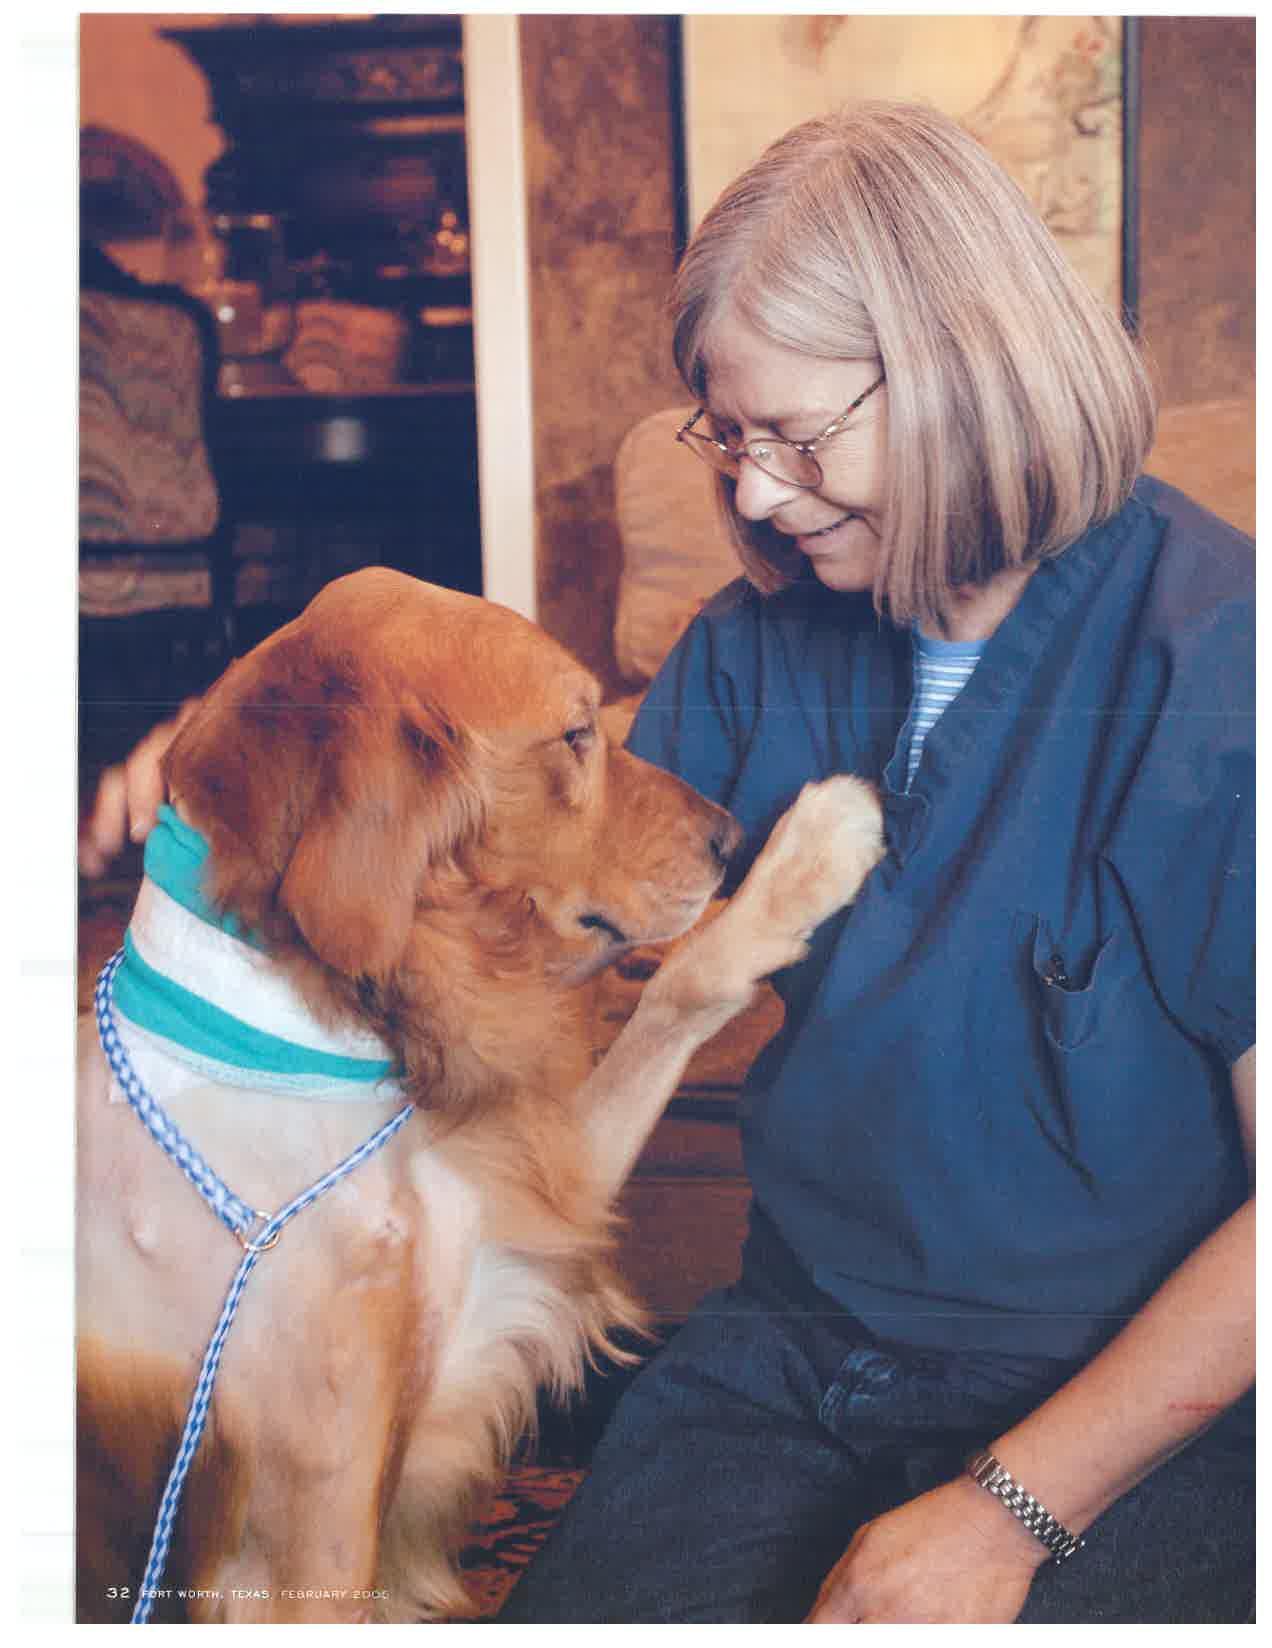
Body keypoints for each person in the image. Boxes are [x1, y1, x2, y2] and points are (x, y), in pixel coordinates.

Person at [80, 103, 1253, 1624]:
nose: (753, 493)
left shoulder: (1215, 665)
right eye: (728, 434)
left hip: (1126, 1394)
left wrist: (1010, 1510)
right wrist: (255, 769)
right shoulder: (763, 644)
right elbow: (512, 804)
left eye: (797, 436)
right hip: (799, 1344)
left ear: (970, 373)